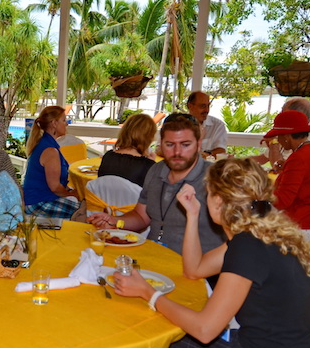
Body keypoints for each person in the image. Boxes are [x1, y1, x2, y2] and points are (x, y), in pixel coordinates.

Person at [112, 158, 310, 348]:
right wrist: (193, 214)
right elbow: (194, 270)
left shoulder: (249, 246)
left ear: (219, 201)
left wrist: (148, 293)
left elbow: (205, 329)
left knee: (153, 344)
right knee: (165, 331)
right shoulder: (259, 231)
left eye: (208, 194)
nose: (206, 198)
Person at [88, 113, 225, 254]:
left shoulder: (216, 179)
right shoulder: (156, 170)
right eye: (170, 144)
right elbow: (141, 216)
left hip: (196, 267)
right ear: (160, 146)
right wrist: (115, 221)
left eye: (185, 145)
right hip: (151, 256)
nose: (177, 152)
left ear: (198, 145)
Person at [263, 110, 310, 230]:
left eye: (278, 136)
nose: (278, 141)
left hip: (297, 223)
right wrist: (286, 169)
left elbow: (282, 201)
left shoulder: (298, 158)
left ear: (286, 136)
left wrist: (257, 191)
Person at [22, 105, 79, 218]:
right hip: (38, 203)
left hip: (42, 198)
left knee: (84, 206)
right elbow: (55, 187)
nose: (66, 124)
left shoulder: (46, 144)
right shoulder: (50, 150)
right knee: (84, 214)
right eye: (63, 120)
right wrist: (72, 194)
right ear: (54, 123)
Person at [259, 97, 310, 170]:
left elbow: (279, 169)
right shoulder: (301, 142)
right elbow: (266, 160)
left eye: (282, 111)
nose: (280, 114)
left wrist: (273, 144)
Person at [97, 113, 157, 186]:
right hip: (134, 198)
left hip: (102, 197)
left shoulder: (108, 156)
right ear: (148, 137)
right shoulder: (147, 166)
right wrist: (151, 164)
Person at [187, 91, 227, 158]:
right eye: (202, 106)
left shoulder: (218, 125)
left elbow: (221, 150)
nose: (206, 110)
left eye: (208, 106)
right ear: (190, 106)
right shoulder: (179, 124)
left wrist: (205, 154)